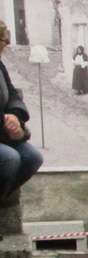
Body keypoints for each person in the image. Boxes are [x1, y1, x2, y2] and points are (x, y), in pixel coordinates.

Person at [0, 20, 43, 219]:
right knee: (9, 158)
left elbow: (12, 94)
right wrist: (4, 121)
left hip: (3, 134)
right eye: (3, 38)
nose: (7, 44)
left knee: (32, 157)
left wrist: (16, 117)